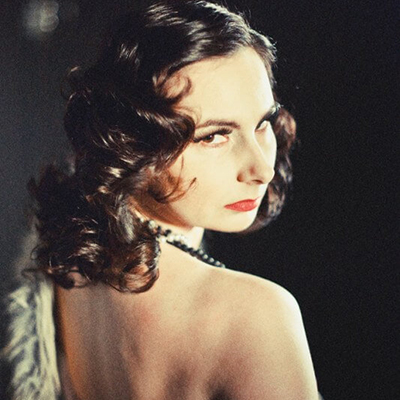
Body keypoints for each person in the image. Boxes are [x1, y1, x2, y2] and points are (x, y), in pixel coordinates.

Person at [3, 1, 322, 399]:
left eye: (263, 123)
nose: (261, 169)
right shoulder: (255, 314)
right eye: (213, 136)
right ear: (132, 143)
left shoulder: (72, 256)